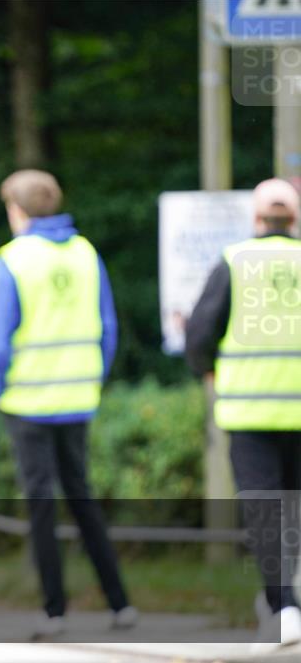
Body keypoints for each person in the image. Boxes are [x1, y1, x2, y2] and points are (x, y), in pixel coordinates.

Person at [0, 169, 136, 638]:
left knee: (41, 504)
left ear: (17, 210)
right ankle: (120, 604)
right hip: (79, 396)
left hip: (27, 401)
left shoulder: (11, 260)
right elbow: (108, 328)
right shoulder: (86, 253)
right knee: (82, 498)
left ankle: (54, 611)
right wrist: (93, 378)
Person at [185, 177, 301, 650]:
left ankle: (282, 608)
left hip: (250, 412)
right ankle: (287, 601)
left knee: (264, 510)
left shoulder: (234, 261)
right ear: (295, 219)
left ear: (256, 218)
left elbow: (199, 335)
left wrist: (209, 370)